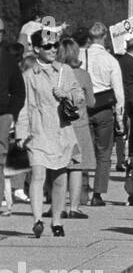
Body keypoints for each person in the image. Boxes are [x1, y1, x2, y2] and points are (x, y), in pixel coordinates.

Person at [15, 27, 84, 237]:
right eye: (47, 46)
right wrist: (21, 133)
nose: (53, 49)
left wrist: (67, 95)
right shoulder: (28, 75)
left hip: (61, 131)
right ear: (36, 49)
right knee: (38, 174)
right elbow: (24, 106)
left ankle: (57, 221)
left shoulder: (65, 70)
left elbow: (79, 96)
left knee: (60, 178)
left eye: (55, 45)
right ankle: (37, 220)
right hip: (37, 131)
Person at [82, 22, 124, 207]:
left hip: (82, 106)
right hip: (104, 108)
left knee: (83, 150)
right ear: (105, 37)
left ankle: (81, 189)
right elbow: (119, 93)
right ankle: (97, 193)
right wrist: (120, 119)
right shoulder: (110, 60)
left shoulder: (79, 56)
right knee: (104, 152)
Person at [56, 38, 94, 224]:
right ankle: (74, 207)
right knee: (77, 167)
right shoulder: (83, 75)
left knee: (60, 165)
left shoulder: (56, 72)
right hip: (79, 123)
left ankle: (58, 205)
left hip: (60, 124)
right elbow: (92, 101)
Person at [0, 19, 25, 216]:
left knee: (0, 159)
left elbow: (19, 90)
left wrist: (12, 114)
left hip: (2, 114)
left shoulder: (7, 59)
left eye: (1, 31)